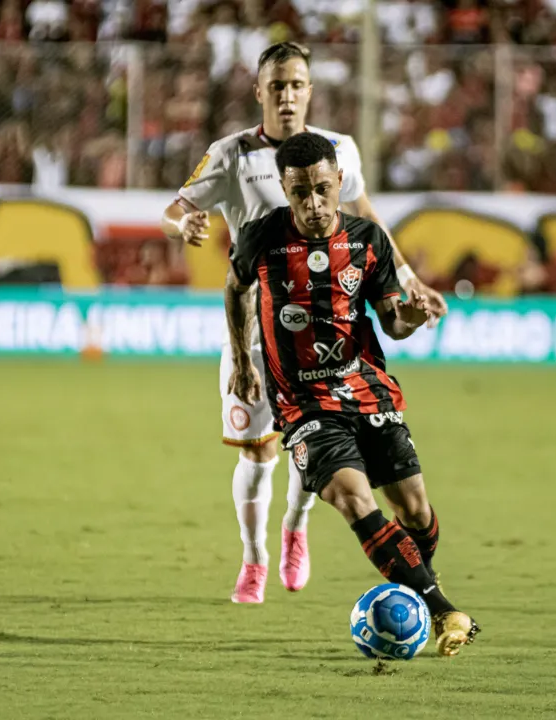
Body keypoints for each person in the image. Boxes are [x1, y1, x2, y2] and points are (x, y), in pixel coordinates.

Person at [160, 42, 448, 604]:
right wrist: (184, 225)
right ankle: (254, 557)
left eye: (297, 85)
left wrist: (407, 275)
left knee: (315, 446)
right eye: (276, 86)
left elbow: (365, 218)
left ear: (310, 90)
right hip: (251, 327)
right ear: (259, 91)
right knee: (256, 452)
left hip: (323, 336)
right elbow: (175, 207)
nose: (287, 95)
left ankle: (295, 528)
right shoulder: (233, 153)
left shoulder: (337, 150)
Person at [225, 131, 479, 657]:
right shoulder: (262, 237)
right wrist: (242, 361)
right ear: (284, 188)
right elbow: (235, 288)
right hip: (303, 401)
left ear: (340, 180)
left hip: (365, 386)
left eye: (322, 189)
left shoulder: (367, 240)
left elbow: (391, 319)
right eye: (300, 193)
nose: (314, 204)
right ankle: (443, 610)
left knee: (415, 511)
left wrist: (407, 321)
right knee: (352, 498)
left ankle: (418, 595)